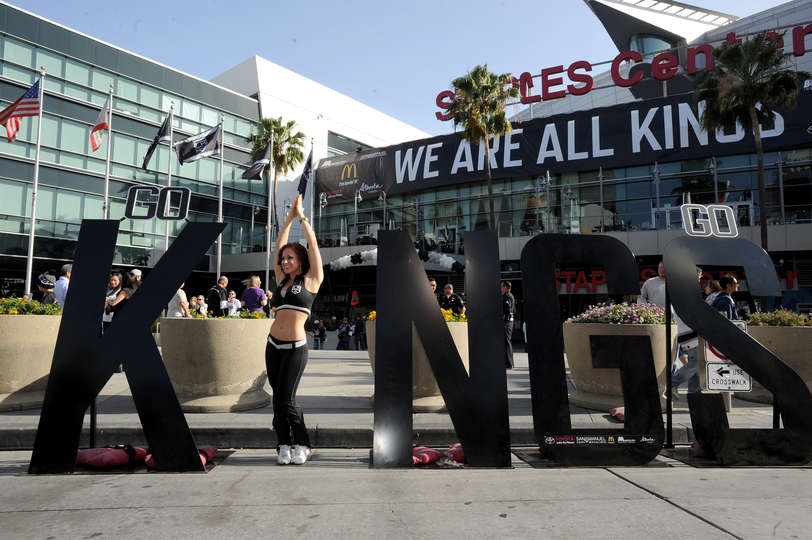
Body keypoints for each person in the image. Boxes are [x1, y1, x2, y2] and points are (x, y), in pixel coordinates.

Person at [266, 194, 323, 465]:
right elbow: (278, 245)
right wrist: (287, 220)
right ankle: (283, 444)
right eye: (283, 259)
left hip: (294, 349)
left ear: (300, 260)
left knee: (287, 400)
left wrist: (302, 218)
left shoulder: (312, 280)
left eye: (290, 258)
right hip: (272, 346)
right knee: (277, 401)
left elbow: (313, 246)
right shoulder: (280, 282)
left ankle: (302, 442)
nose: (285, 261)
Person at [501, 280, 515, 369]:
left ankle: (509, 363)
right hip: (509, 321)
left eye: (502, 286)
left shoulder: (507, 296)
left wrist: (505, 321)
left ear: (506, 287)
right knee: (506, 341)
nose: (501, 288)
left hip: (507, 322)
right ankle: (509, 362)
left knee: (506, 342)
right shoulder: (509, 295)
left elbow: (508, 310)